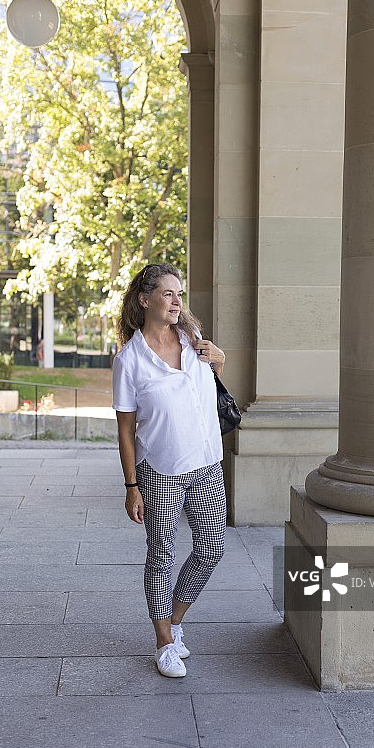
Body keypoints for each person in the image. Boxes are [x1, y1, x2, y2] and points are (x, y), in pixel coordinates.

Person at [112, 263, 227, 678]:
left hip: (207, 463)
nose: (177, 301)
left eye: (179, 294)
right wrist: (131, 486)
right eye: (168, 294)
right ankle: (163, 643)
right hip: (159, 470)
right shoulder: (130, 360)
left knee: (211, 549)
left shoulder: (194, 341)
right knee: (161, 555)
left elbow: (210, 391)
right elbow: (126, 430)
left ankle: (175, 622)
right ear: (145, 300)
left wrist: (220, 359)